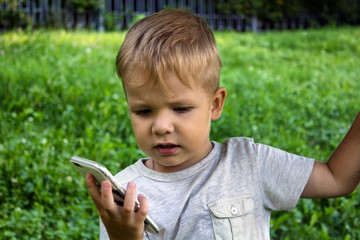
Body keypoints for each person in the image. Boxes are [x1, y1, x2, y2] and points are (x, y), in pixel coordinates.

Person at [85, 9, 360, 240]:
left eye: (181, 108)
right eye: (143, 111)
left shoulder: (249, 164)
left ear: (215, 104)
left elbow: (336, 179)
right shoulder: (123, 192)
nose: (161, 126)